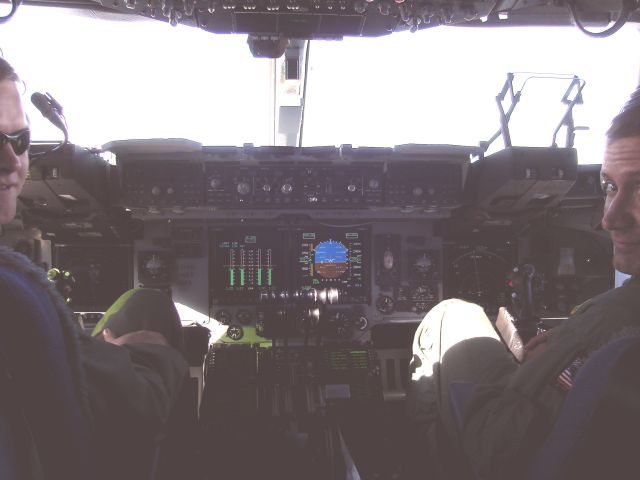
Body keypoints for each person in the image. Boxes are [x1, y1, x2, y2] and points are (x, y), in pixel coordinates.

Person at [408, 84, 640, 480]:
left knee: (451, 314)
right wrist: (565, 354)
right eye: (609, 187)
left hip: (507, 447)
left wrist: (551, 368)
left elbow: (501, 447)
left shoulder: (615, 323)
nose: (609, 219)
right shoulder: (610, 328)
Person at [0, 57, 189, 478]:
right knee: (149, 305)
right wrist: (140, 355)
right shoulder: (15, 294)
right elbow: (133, 404)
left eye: (20, 138)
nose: (12, 162)